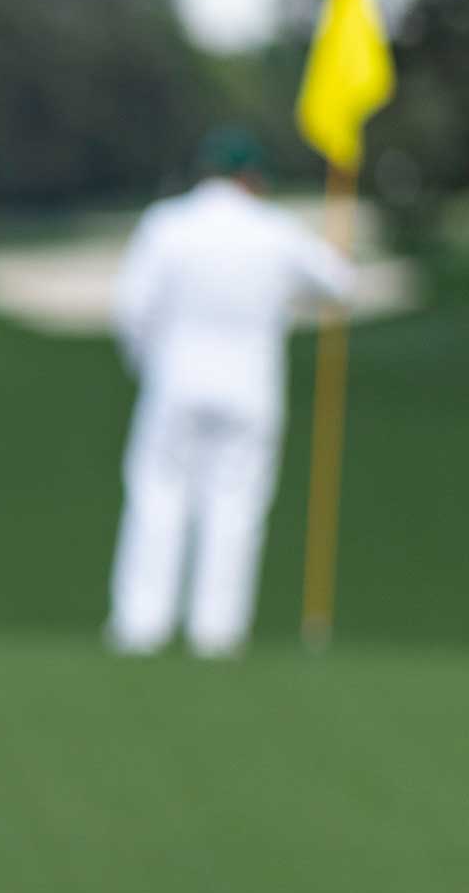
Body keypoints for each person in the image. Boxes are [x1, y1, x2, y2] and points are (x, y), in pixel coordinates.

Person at [106, 128, 354, 659]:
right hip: (251, 387)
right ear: (253, 178)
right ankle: (217, 633)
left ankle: (140, 627)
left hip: (174, 381)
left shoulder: (166, 225)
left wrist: (148, 365)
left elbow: (132, 311)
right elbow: (338, 283)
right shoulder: (275, 229)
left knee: (157, 499)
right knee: (235, 507)